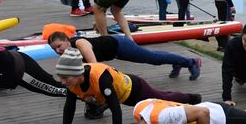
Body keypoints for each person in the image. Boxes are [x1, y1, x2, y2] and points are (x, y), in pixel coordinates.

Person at [51, 49, 199, 124]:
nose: (63, 82)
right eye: (61, 78)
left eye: (65, 78)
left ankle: (192, 98)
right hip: (118, 96)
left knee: (163, 98)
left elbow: (115, 108)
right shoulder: (73, 83)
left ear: (77, 74)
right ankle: (190, 100)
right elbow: (69, 106)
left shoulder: (100, 79)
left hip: (135, 90)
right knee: (163, 98)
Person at [44, 24, 200, 81]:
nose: (58, 51)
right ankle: (177, 62)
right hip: (115, 50)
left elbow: (94, 66)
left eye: (59, 46)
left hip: (120, 45)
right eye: (54, 49)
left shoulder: (79, 43)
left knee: (152, 58)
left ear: (66, 39)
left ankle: (191, 61)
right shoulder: (68, 52)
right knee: (153, 57)